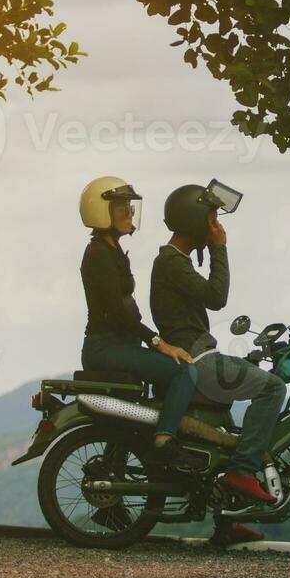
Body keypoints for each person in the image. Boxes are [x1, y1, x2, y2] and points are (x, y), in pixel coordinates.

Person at [150, 183, 288, 546]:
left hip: (201, 355)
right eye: (211, 217)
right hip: (199, 361)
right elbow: (217, 297)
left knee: (227, 428)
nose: (216, 224)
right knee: (274, 388)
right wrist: (219, 249)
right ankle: (242, 474)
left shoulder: (173, 262)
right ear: (194, 221)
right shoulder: (170, 262)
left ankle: (228, 518)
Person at [77, 175, 196, 464]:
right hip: (107, 348)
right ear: (100, 212)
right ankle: (165, 440)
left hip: (119, 344)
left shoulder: (111, 250)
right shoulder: (99, 254)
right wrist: (159, 343)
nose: (129, 214)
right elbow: (119, 312)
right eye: (121, 208)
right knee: (183, 371)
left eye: (130, 208)